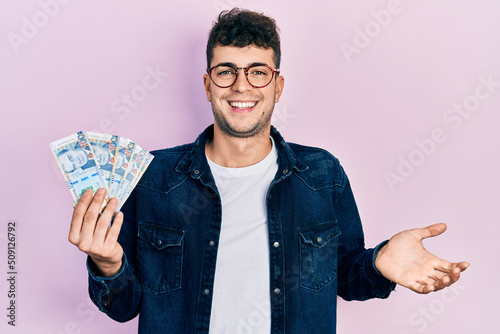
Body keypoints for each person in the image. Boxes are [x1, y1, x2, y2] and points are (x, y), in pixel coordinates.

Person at [68, 8, 469, 333]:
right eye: (226, 72)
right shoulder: (153, 177)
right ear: (208, 85)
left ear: (277, 86)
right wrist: (107, 264)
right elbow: (124, 308)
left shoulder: (322, 175)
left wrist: (380, 261)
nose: (241, 86)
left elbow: (346, 278)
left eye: (258, 72)